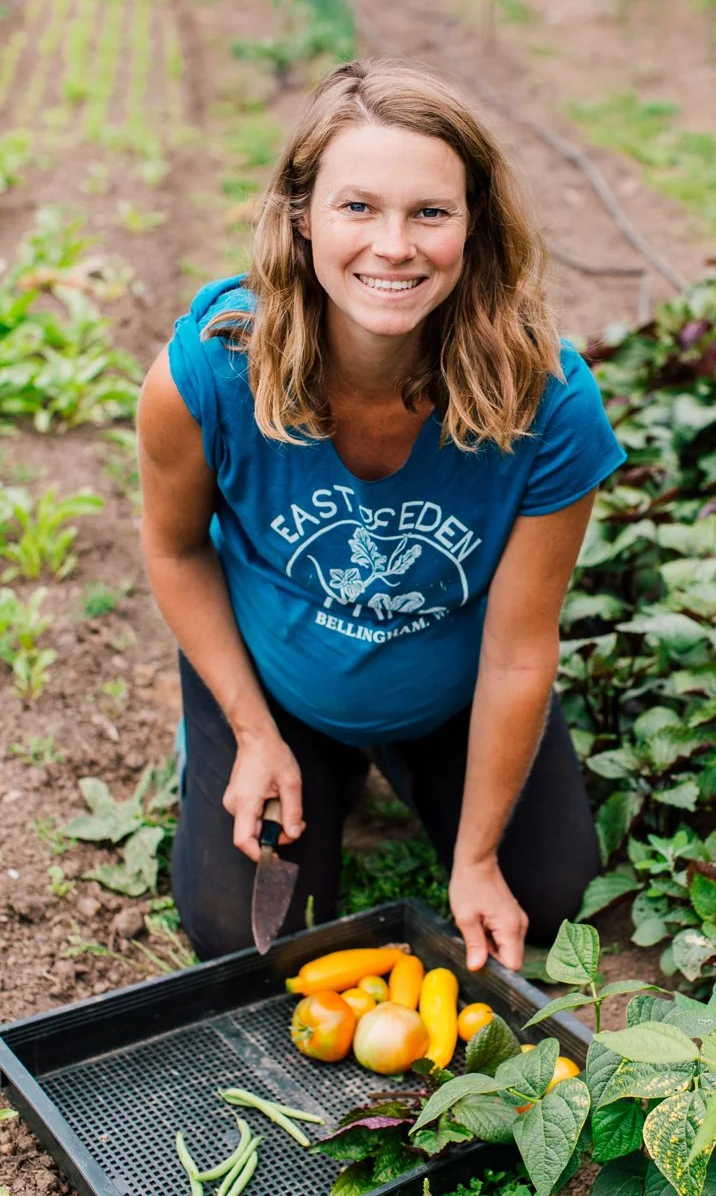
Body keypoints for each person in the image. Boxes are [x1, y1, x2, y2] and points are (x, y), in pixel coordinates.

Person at [137, 58, 627, 975]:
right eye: (358, 206)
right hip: (277, 683)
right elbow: (175, 552)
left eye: (430, 212)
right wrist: (251, 731)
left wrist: (476, 858)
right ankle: (273, 752)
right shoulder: (208, 374)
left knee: (553, 891)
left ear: (475, 224)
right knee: (239, 935)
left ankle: (406, 759)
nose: (394, 246)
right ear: (302, 215)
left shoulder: (548, 402)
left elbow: (519, 650)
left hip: (453, 692)